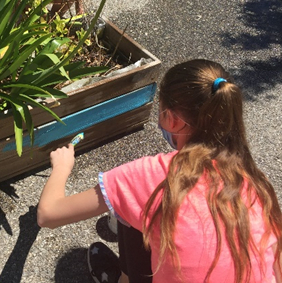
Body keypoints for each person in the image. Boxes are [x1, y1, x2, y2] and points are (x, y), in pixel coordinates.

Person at [37, 59, 282, 283]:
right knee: (137, 207)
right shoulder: (254, 183)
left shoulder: (151, 176)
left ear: (172, 119)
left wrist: (61, 167)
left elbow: (48, 215)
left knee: (131, 201)